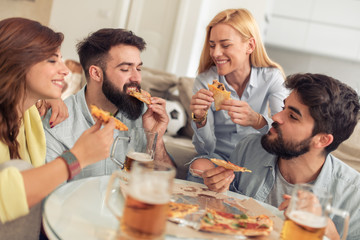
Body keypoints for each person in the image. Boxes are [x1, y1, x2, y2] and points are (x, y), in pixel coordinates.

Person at [202, 73, 360, 239]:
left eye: (292, 116)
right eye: (284, 108)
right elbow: (219, 217)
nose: (276, 117)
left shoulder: (354, 195)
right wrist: (217, 191)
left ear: (322, 140)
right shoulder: (249, 148)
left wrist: (331, 234)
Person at [0, 18, 116, 238]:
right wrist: (76, 158)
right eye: (52, 60)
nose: (65, 70)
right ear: (17, 62)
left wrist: (44, 97)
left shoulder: (31, 115)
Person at [43, 28, 174, 180]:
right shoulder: (57, 122)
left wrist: (156, 140)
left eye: (138, 68)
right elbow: (49, 193)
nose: (137, 77)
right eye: (125, 69)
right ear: (96, 73)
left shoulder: (145, 114)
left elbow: (167, 181)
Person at [187, 8, 289, 182]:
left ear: (250, 46)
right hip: (218, 158)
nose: (216, 53)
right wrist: (199, 119)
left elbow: (285, 130)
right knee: (199, 166)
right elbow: (206, 148)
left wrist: (257, 120)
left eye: (225, 45)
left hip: (256, 160)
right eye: (212, 45)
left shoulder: (271, 77)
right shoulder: (206, 81)